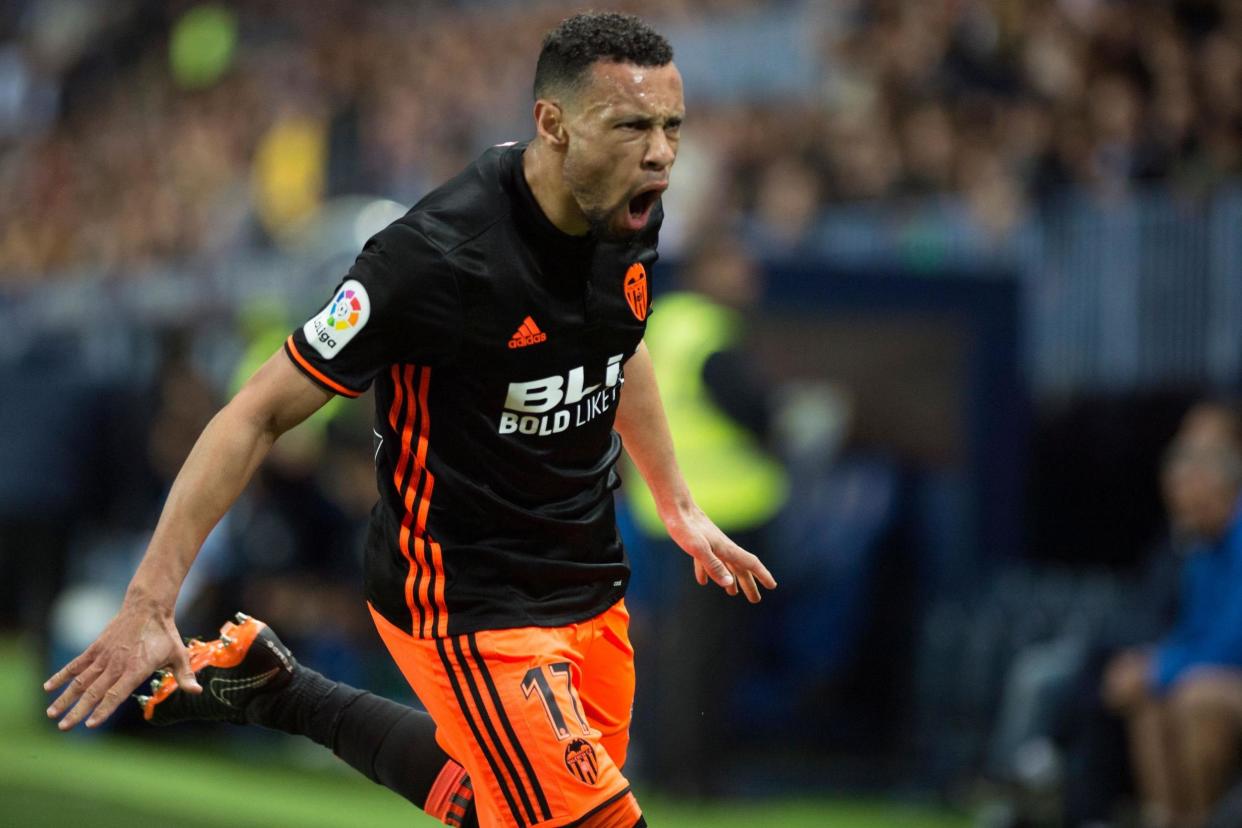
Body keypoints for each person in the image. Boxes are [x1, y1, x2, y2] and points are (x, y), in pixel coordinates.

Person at [42, 12, 776, 828]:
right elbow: (253, 412)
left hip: (587, 587)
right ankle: (292, 697)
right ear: (553, 125)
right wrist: (150, 599)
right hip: (462, 600)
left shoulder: (625, 211)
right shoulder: (435, 257)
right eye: (632, 124)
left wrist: (675, 503)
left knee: (503, 810)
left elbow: (618, 342)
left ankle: (287, 694)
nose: (662, 152)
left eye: (672, 125)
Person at [1102, 401, 1242, 828]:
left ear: (1213, 485)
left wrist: (1160, 670)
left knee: (1193, 696)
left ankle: (1203, 819)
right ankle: (1164, 819)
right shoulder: (1199, 546)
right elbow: (1191, 631)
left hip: (1229, 676)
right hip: (1216, 674)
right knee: (1146, 701)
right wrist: (1149, 665)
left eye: (1184, 493)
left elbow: (1230, 642)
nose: (1178, 508)